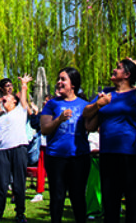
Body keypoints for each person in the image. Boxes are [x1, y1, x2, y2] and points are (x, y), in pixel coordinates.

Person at [83, 59, 136, 223]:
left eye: (118, 68)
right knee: (110, 200)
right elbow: (86, 114)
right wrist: (98, 104)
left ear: (127, 74)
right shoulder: (106, 93)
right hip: (108, 153)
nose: (113, 70)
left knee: (133, 200)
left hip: (131, 154)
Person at [40, 67, 91, 223]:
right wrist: (59, 120)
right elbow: (44, 129)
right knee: (57, 196)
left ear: (73, 84)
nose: (59, 82)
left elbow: (90, 127)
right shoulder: (51, 104)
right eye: (59, 79)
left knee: (78, 196)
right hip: (56, 157)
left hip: (79, 156)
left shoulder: (85, 105)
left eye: (63, 79)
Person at [0, 74, 33, 223]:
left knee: (19, 183)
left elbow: (23, 100)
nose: (4, 99)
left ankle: (20, 214)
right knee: (1, 184)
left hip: (19, 149)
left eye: (7, 98)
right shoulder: (0, 117)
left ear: (14, 101)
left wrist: (24, 85)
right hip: (2, 151)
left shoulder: (20, 111)